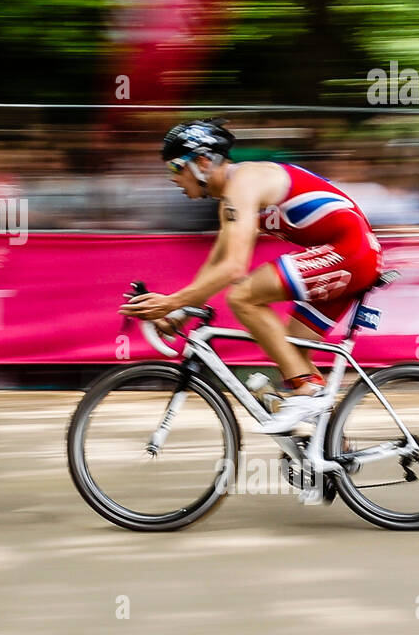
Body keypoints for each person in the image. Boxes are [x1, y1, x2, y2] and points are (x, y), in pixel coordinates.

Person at [120, 118, 383, 434]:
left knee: (243, 295)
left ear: (203, 161)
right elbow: (215, 265)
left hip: (349, 251)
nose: (173, 178)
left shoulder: (243, 183)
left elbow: (234, 269)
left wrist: (170, 302)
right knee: (292, 352)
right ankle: (332, 454)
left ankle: (308, 391)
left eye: (176, 168)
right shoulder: (230, 200)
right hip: (345, 254)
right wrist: (178, 313)